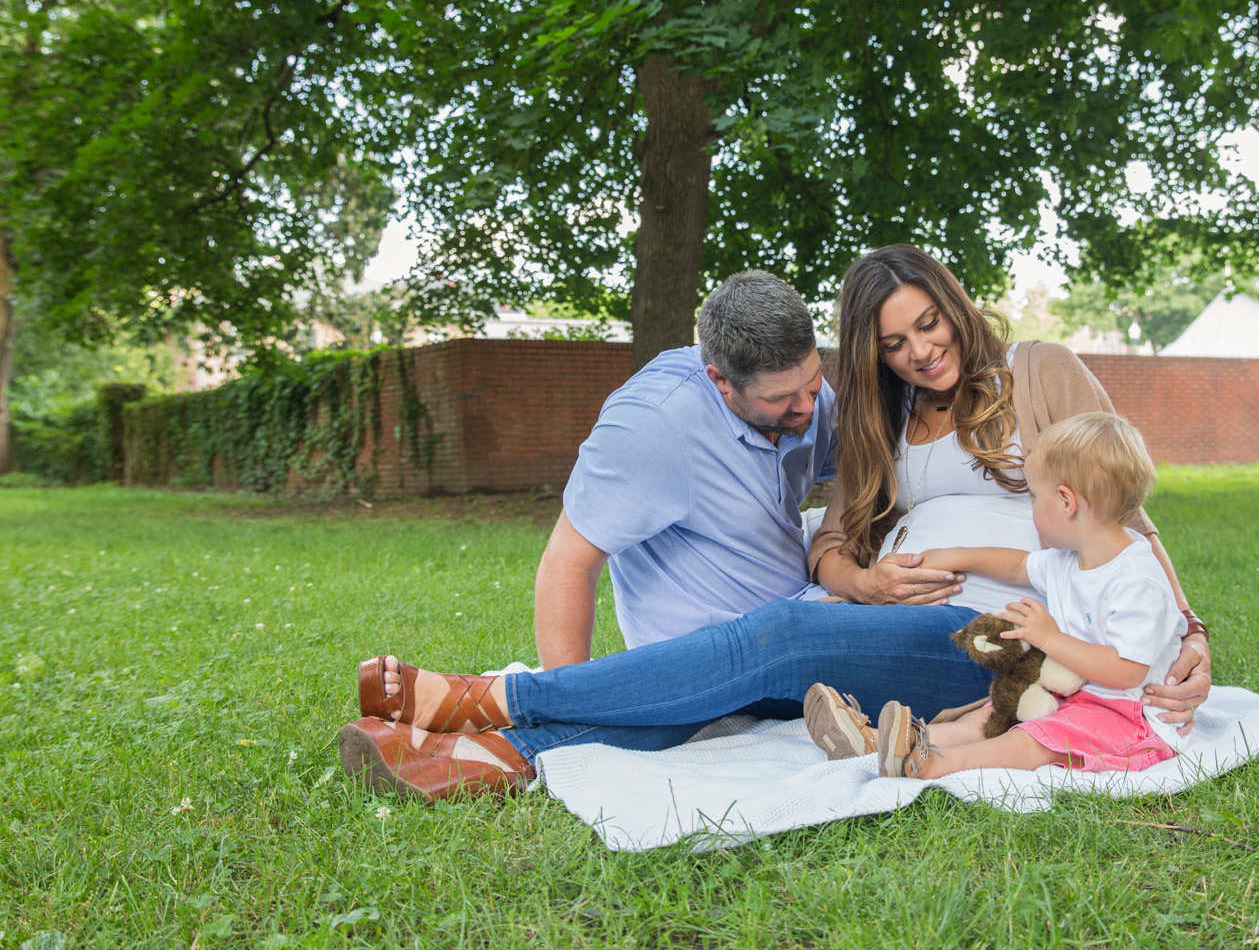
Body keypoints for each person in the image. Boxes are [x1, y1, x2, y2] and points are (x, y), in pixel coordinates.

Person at [337, 246, 1212, 803]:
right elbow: (833, 537)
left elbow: (1125, 510)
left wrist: (1187, 632)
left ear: (954, 304)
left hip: (994, 629)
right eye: (892, 343)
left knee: (781, 636)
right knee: (750, 659)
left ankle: (499, 697)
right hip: (878, 618)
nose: (918, 351)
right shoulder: (879, 418)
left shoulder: (1039, 371)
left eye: (928, 323)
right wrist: (861, 581)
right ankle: (494, 760)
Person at [840, 412, 1188, 779]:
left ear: (1067, 502)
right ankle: (879, 742)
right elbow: (1019, 566)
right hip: (1074, 693)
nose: (1032, 506)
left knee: (1034, 739)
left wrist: (1051, 639)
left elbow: (1127, 671)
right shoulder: (1073, 559)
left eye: (1035, 496)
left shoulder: (1136, 580)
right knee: (994, 712)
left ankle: (934, 765)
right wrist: (960, 555)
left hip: (1125, 714)